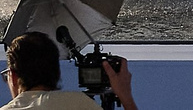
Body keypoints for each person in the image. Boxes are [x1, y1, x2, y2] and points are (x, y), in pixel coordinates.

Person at [4, 33, 133, 110]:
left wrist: (20, 100)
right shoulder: (77, 103)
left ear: (12, 75)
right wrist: (125, 95)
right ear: (56, 72)